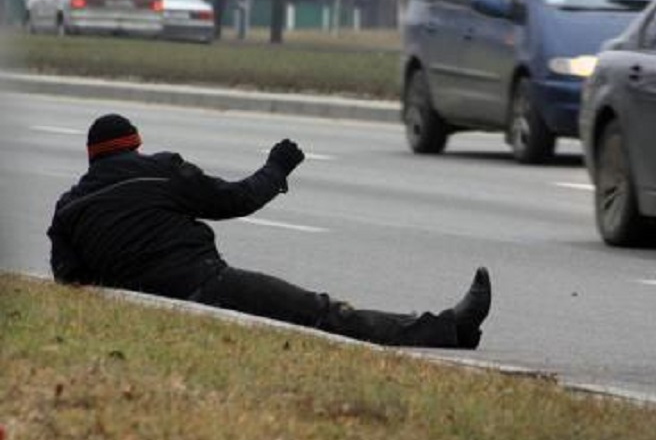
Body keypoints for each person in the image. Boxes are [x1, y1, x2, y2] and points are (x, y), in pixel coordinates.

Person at [47, 114, 492, 349]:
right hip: (207, 284)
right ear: (135, 145)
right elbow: (236, 199)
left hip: (144, 308)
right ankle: (452, 325)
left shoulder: (68, 209)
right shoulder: (161, 172)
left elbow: (69, 281)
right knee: (325, 314)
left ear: (93, 158)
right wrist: (277, 165)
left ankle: (456, 333)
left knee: (321, 316)